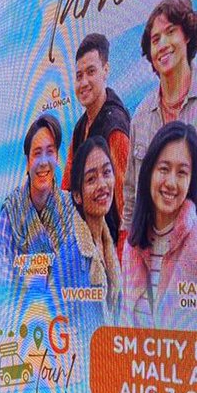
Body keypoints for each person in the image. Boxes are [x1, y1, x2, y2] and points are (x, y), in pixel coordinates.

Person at [123, 0, 197, 240]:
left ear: (187, 35)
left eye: (170, 31)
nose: (163, 44)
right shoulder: (141, 118)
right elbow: (132, 198)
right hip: (156, 260)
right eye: (155, 39)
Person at [121, 121, 197, 329]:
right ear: (149, 171)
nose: (170, 182)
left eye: (181, 173)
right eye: (164, 169)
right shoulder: (132, 245)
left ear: (191, 181)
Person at [61, 33, 131, 258]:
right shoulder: (81, 127)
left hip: (115, 256)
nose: (83, 83)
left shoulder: (115, 128)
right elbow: (66, 192)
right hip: (90, 251)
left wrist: (122, 263)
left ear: (105, 70)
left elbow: (126, 205)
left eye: (91, 72)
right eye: (79, 76)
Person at [0, 113, 84, 284]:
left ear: (57, 158)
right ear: (27, 162)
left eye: (50, 152)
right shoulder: (11, 211)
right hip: (23, 308)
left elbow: (78, 274)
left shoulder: (71, 209)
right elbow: (3, 280)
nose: (43, 162)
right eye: (37, 154)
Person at [69, 136, 122, 320]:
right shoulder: (72, 255)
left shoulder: (108, 245)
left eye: (107, 173)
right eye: (91, 179)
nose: (102, 185)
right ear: (77, 196)